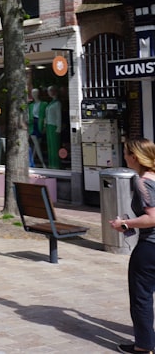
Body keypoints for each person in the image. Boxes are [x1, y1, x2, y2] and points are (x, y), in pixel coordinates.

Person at [112, 138, 155, 354]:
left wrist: (124, 224)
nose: (124, 157)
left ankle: (143, 347)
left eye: (126, 153)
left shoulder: (142, 182)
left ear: (135, 157)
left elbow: (152, 217)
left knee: (141, 297)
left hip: (150, 247)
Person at [28, 88, 46, 167]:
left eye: (36, 93)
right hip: (33, 125)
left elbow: (45, 116)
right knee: (37, 145)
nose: (34, 95)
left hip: (40, 124)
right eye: (33, 93)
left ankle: (32, 163)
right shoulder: (31, 106)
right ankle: (43, 163)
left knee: (36, 145)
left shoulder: (44, 104)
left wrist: (45, 126)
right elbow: (29, 116)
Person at [44, 85, 62, 168]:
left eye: (50, 91)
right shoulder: (50, 103)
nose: (48, 93)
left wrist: (59, 127)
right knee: (50, 147)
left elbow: (59, 116)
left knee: (55, 146)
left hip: (54, 126)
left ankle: (56, 165)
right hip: (48, 126)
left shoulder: (57, 103)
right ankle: (51, 165)